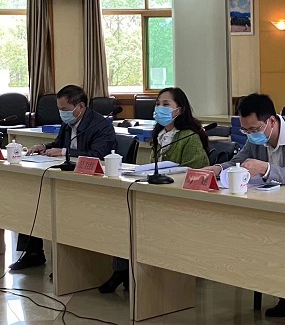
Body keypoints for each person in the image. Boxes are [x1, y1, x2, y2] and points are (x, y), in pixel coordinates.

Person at [203, 93, 285, 317]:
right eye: (245, 130)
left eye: (253, 129)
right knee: (262, 236)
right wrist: (217, 169)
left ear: (271, 121)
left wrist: (265, 168)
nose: (250, 134)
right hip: (279, 200)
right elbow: (239, 161)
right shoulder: (256, 135)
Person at [98, 87, 209, 293]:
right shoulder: (160, 134)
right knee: (125, 215)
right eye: (158, 104)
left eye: (166, 104)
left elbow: (197, 171)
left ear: (180, 109)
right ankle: (122, 269)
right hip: (158, 194)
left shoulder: (189, 136)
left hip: (181, 201)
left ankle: (133, 271)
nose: (159, 108)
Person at [10, 85, 117, 271]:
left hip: (91, 182)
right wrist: (44, 147)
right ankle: (33, 252)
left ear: (80, 106)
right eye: (59, 109)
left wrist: (64, 152)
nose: (61, 113)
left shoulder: (100, 125)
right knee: (33, 195)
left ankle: (72, 267)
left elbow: (98, 155)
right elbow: (58, 144)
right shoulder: (69, 122)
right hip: (67, 175)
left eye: (65, 109)